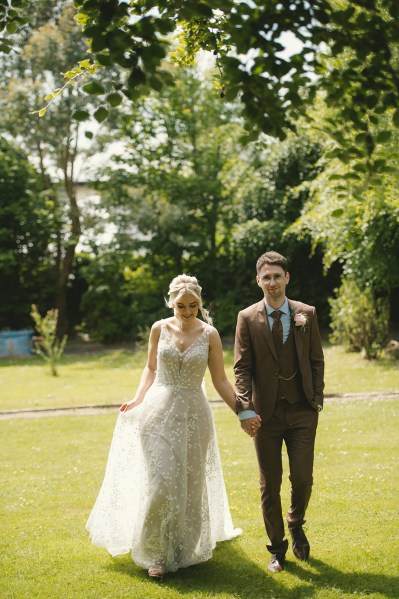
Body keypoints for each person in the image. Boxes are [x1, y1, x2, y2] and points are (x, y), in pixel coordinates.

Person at [87, 274, 249, 579]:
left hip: (194, 415)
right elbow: (150, 368)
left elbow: (221, 380)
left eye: (193, 305)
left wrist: (243, 411)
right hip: (157, 411)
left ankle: (182, 547)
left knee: (189, 481)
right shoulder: (159, 329)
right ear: (170, 302)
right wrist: (137, 399)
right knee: (162, 483)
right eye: (181, 305)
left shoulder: (209, 334)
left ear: (200, 304)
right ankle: (156, 553)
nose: (187, 311)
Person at [234, 251, 324, 573]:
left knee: (302, 478)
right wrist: (245, 407)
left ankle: (295, 522)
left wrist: (317, 399)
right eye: (266, 277)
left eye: (277, 276)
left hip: (302, 411)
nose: (272, 282)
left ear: (287, 278)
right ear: (258, 281)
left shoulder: (306, 314)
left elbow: (316, 359)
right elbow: (242, 368)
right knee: (269, 484)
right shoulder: (246, 317)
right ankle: (277, 549)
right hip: (266, 415)